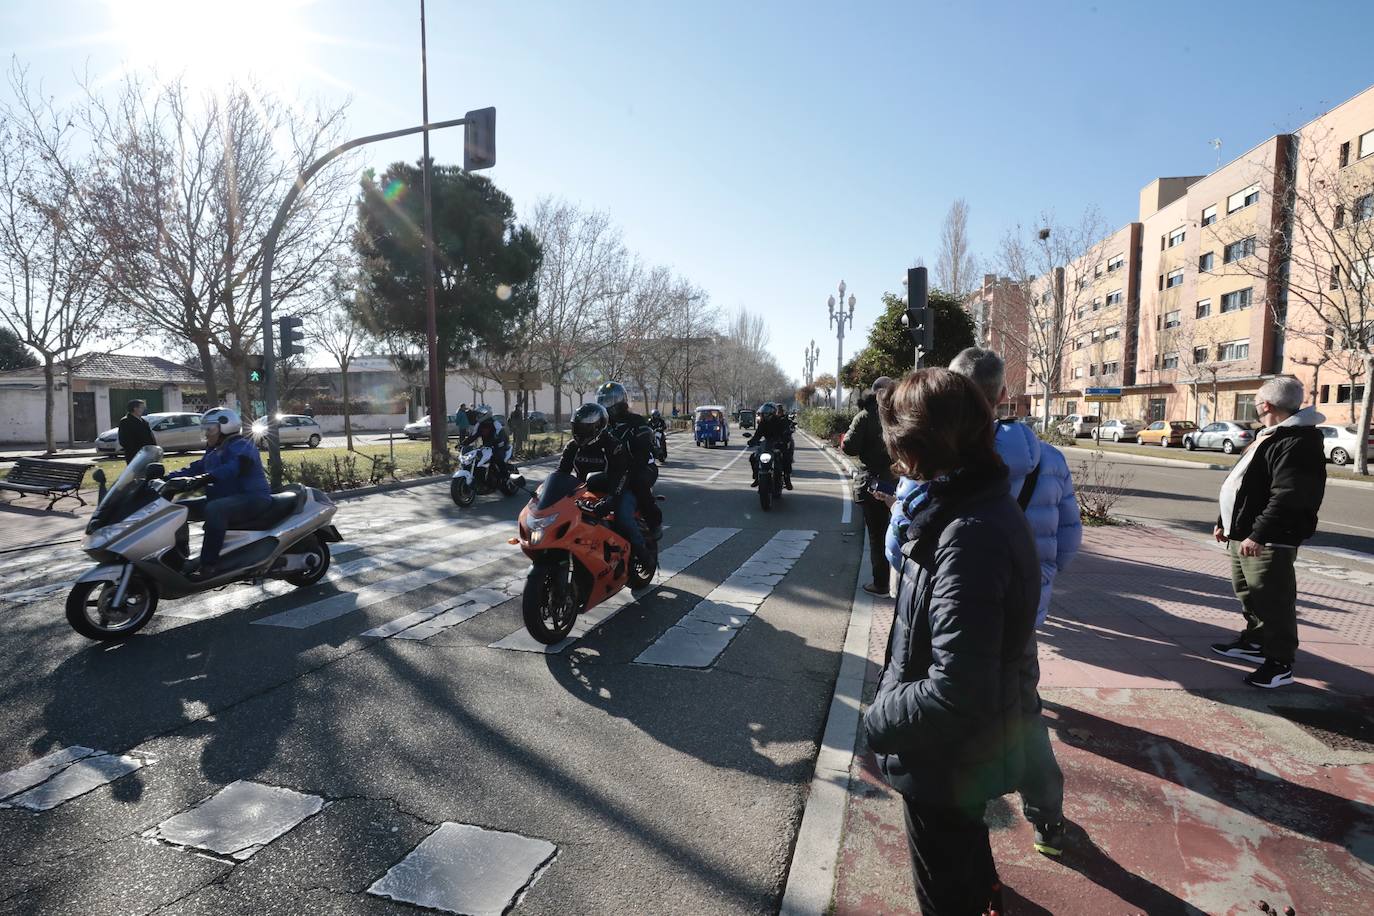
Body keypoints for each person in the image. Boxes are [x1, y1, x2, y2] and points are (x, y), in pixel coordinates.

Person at [865, 369, 1040, 916]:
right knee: (965, 856)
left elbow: (955, 691)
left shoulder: (969, 533)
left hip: (944, 753)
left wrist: (877, 720)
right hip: (954, 749)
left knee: (946, 891)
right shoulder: (960, 508)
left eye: (897, 441)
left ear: (920, 445)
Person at [925, 346, 1082, 858]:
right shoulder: (1050, 458)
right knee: (1024, 715)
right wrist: (1039, 579)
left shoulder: (939, 455)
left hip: (953, 607)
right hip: (1021, 615)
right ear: (1003, 396)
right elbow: (1068, 538)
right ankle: (1049, 822)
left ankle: (964, 822)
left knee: (952, 705)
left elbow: (902, 539)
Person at [1211, 376, 1327, 689]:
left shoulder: (1298, 441)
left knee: (1273, 599)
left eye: (1257, 402)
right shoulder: (1271, 434)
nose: (1257, 407)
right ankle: (1255, 642)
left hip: (1268, 538)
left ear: (1266, 405)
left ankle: (1280, 663)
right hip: (1244, 532)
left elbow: (1289, 495)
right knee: (1249, 594)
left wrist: (1259, 534)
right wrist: (1224, 521)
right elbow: (1244, 483)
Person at [163, 408, 272, 581]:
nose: (206, 434)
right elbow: (196, 468)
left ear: (225, 428)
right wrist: (165, 478)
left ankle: (209, 565)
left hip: (253, 498)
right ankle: (179, 557)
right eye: (205, 430)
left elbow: (232, 468)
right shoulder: (215, 450)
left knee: (215, 509)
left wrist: (206, 477)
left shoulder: (243, 445)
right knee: (177, 509)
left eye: (210, 430)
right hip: (226, 497)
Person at [558, 403, 646, 559]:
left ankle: (641, 551)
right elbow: (560, 474)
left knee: (623, 517)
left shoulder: (613, 446)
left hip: (616, 489)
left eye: (584, 428)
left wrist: (611, 500)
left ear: (598, 428)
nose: (579, 432)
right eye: (577, 427)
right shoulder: (573, 446)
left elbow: (622, 475)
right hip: (586, 492)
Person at [842, 377, 897, 596]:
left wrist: (846, 441)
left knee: (877, 535)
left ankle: (881, 583)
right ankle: (898, 582)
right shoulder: (901, 413)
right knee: (898, 530)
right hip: (899, 481)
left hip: (873, 482)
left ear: (873, 393)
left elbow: (850, 447)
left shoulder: (864, 417)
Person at [597, 381, 662, 538]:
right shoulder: (602, 425)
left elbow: (642, 453)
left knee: (637, 483)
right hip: (616, 469)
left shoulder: (636, 421)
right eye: (603, 400)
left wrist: (626, 474)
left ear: (621, 401)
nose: (607, 404)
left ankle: (654, 522)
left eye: (610, 400)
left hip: (643, 466)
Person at [748, 402, 794, 489]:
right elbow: (757, 435)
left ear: (772, 413)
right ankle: (756, 477)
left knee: (786, 458)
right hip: (767, 444)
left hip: (778, 444)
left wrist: (784, 440)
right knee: (753, 457)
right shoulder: (762, 423)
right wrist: (752, 441)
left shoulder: (780, 422)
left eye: (766, 413)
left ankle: (787, 478)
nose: (765, 415)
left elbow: (786, 433)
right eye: (763, 413)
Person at [461, 409, 512, 478]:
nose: (478, 417)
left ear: (486, 415)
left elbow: (501, 436)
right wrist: (463, 444)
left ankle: (505, 480)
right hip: (487, 447)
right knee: (477, 460)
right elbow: (473, 436)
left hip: (499, 445)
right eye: (478, 415)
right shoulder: (479, 424)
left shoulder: (495, 423)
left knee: (498, 460)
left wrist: (495, 444)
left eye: (480, 415)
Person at [117, 399, 156, 464]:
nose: (144, 409)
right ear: (135, 408)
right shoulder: (125, 422)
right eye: (142, 407)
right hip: (134, 456)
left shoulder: (144, 421)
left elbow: (150, 437)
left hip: (147, 454)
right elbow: (124, 440)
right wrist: (137, 451)